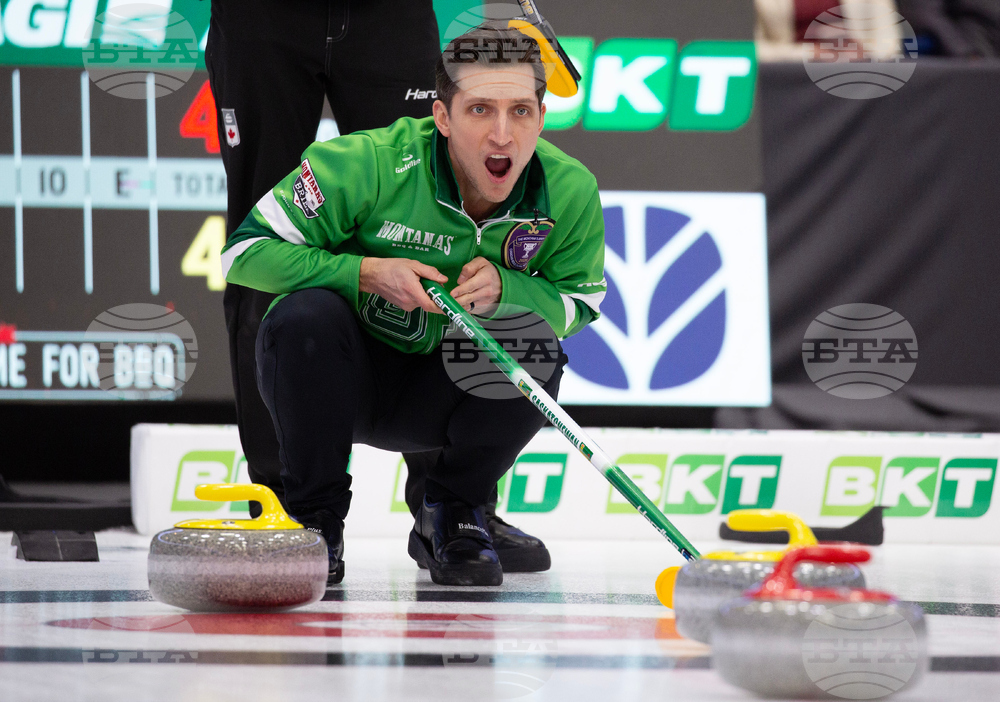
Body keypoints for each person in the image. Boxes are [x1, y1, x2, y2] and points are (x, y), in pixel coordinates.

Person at [220, 22, 606, 586]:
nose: (503, 135)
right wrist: (362, 272)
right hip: (345, 380)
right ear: (443, 118)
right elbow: (244, 254)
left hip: (442, 393)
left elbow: (578, 302)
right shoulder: (366, 162)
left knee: (534, 345)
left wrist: (512, 291)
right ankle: (313, 520)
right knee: (303, 319)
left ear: (542, 118)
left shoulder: (569, 189)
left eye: (521, 111)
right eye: (480, 111)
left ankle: (452, 513)